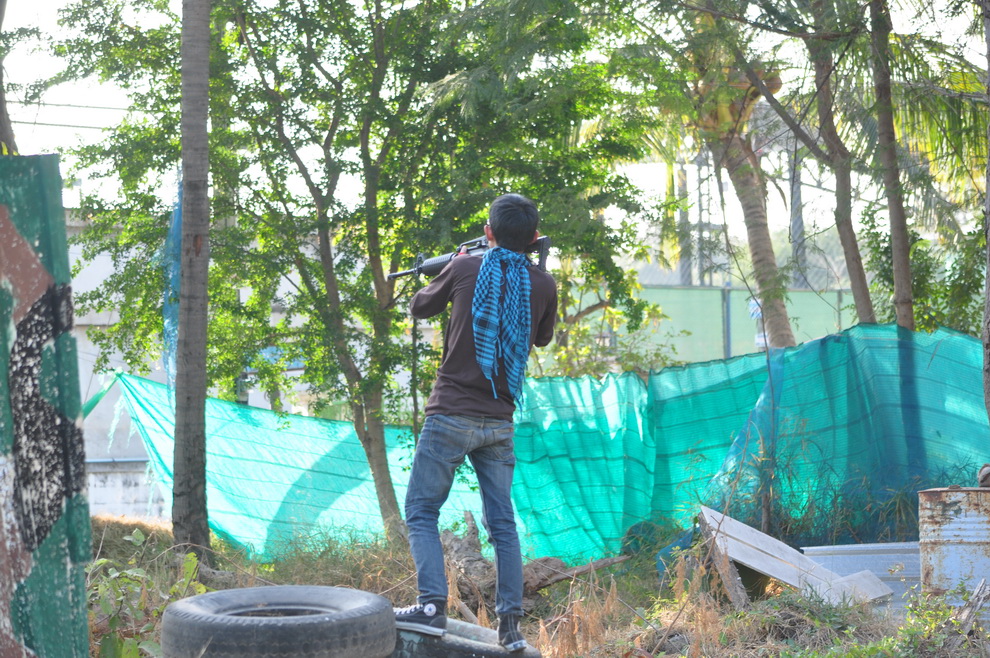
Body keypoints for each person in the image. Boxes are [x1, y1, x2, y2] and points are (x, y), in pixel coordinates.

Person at [394, 193, 557, 652]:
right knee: (502, 525)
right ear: (534, 237)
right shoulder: (542, 283)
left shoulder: (466, 268)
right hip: (499, 421)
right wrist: (536, 273)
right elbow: (543, 337)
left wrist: (453, 266)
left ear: (488, 232)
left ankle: (430, 608)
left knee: (421, 511)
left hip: (450, 413)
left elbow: (419, 306)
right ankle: (511, 628)